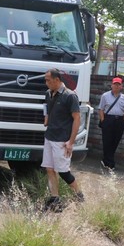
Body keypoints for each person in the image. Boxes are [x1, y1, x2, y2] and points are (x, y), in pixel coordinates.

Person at [42, 68, 84, 212]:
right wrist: (46, 119)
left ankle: (79, 196)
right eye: (45, 80)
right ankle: (55, 198)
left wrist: (71, 142)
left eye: (48, 80)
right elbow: (46, 107)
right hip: (49, 136)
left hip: (62, 140)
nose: (46, 82)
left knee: (63, 171)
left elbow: (77, 119)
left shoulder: (70, 96)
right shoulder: (48, 93)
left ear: (57, 80)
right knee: (49, 169)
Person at [98, 76, 124, 172]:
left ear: (121, 86)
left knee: (115, 141)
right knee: (107, 141)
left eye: (118, 85)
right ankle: (110, 164)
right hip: (108, 120)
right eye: (115, 84)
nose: (116, 86)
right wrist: (103, 120)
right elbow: (101, 109)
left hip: (119, 121)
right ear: (111, 85)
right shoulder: (105, 96)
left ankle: (106, 160)